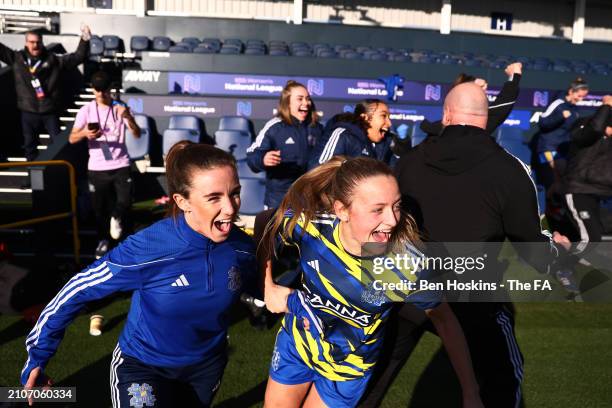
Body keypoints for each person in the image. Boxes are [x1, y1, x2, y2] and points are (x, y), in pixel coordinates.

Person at [360, 82, 570, 408]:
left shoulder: (409, 162)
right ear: (486, 119)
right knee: (504, 378)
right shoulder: (509, 170)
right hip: (472, 297)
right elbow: (532, 251)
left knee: (369, 382)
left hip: (406, 290)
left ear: (446, 115)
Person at [21, 141, 257, 407]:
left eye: (234, 193)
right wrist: (38, 356)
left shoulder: (242, 247)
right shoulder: (150, 246)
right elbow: (77, 289)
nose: (230, 208)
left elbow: (259, 286)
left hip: (206, 369)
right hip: (143, 367)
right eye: (214, 197)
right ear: (182, 201)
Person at [261, 156, 483, 408]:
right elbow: (265, 224)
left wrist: (471, 393)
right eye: (378, 209)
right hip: (296, 347)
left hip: (348, 371)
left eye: (396, 206)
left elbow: (445, 320)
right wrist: (267, 284)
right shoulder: (311, 227)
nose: (392, 220)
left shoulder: (406, 266)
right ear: (341, 210)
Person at [69, 71, 141, 258]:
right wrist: (86, 133)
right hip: (97, 167)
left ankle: (117, 221)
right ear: (93, 90)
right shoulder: (86, 110)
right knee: (99, 209)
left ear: (110, 89)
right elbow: (71, 138)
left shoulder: (120, 107)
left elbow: (137, 134)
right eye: (97, 90)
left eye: (104, 89)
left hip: (121, 163)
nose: (100, 93)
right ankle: (102, 241)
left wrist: (128, 117)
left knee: (125, 202)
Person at [0, 26, 91, 161]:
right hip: (28, 111)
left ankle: (60, 173)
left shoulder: (53, 60)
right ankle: (32, 178)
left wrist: (84, 39)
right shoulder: (17, 59)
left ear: (42, 42)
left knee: (58, 144)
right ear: (26, 43)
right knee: (30, 146)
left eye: (37, 42)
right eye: (31, 42)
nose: (35, 45)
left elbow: (78, 57)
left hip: (50, 111)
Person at [246, 80, 323, 209]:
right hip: (279, 202)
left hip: (310, 201)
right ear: (287, 102)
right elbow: (252, 155)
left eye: (308, 99)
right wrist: (263, 159)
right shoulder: (275, 126)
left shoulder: (317, 128)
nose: (306, 103)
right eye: (300, 99)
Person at [419, 62, 523, 138]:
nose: (484, 92)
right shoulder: (476, 128)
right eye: (480, 88)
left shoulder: (432, 137)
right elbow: (502, 105)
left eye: (485, 88)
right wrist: (515, 76)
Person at [563, 95, 612, 252]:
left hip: (601, 193)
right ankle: (562, 267)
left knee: (594, 239)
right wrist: (606, 106)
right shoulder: (584, 125)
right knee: (591, 239)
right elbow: (595, 129)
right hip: (580, 190)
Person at [534, 77, 589, 193]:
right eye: (579, 96)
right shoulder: (558, 103)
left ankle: (556, 208)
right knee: (553, 179)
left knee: (562, 181)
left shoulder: (575, 110)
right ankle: (547, 208)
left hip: (563, 150)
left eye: (583, 97)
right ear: (571, 92)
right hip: (548, 148)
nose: (580, 99)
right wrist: (560, 117)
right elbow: (543, 122)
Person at [308, 99, 394, 169]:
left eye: (389, 117)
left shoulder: (385, 145)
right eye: (383, 116)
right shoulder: (343, 135)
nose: (389, 123)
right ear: (365, 117)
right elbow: (319, 171)